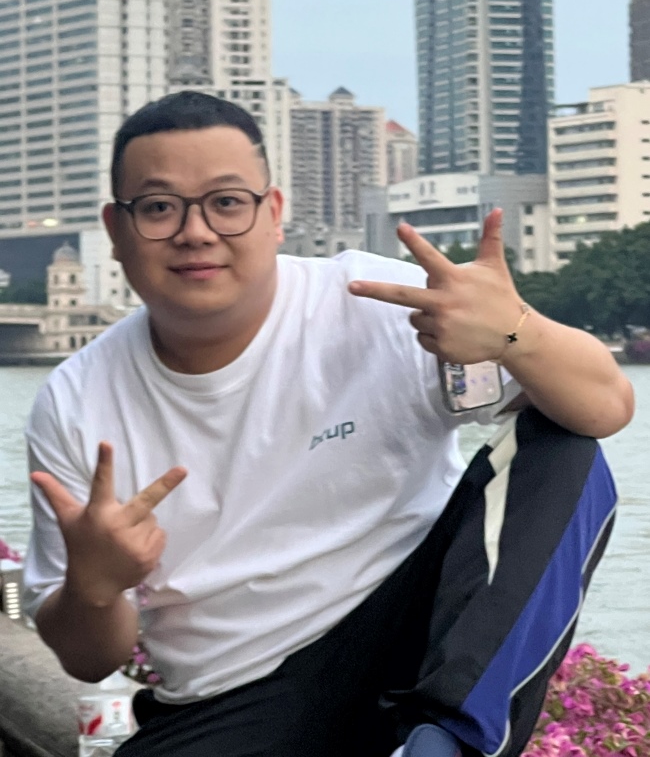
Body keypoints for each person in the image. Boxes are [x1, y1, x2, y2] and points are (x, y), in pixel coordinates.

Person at [22, 91, 633, 757]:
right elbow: (88, 660)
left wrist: (516, 332)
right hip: (233, 698)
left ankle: (446, 743)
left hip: (417, 633)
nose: (195, 231)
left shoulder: (375, 304)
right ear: (115, 230)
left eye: (226, 202)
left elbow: (606, 407)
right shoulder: (77, 401)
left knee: (563, 440)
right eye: (159, 207)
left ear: (273, 214)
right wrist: (95, 586)